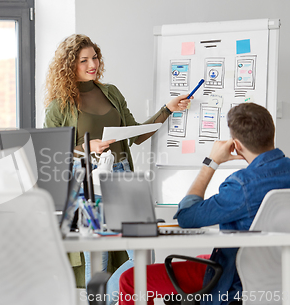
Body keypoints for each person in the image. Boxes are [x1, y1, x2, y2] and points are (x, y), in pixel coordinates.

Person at [43, 33, 191, 303]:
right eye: (84, 60)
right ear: (68, 65)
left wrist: (167, 110)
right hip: (89, 184)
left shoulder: (110, 93)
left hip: (123, 177)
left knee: (144, 254)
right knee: (97, 257)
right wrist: (86, 148)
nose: (92, 65)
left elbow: (135, 135)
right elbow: (50, 152)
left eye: (95, 57)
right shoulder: (60, 106)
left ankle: (106, 297)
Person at [119, 103, 290, 305]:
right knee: (204, 256)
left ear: (236, 145)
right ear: (271, 132)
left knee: (130, 280)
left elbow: (187, 217)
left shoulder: (242, 185)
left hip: (236, 280)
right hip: (278, 274)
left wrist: (211, 162)